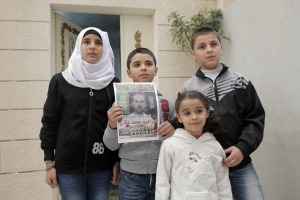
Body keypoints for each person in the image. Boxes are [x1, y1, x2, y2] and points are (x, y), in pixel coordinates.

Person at [171, 27, 265, 200]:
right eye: (202, 46)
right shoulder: (187, 89)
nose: (209, 49)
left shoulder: (240, 82)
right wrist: (170, 125)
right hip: (204, 169)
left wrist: (242, 148)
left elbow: (255, 118)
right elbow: (182, 123)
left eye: (213, 44)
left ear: (221, 48)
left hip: (240, 166)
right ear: (194, 54)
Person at [39, 27, 120, 200]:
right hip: (69, 167)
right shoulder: (60, 81)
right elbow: (49, 123)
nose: (92, 46)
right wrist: (49, 163)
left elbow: (117, 126)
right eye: (86, 42)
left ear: (105, 48)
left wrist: (116, 161)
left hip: (102, 166)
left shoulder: (113, 84)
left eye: (98, 43)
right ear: (79, 46)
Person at [103, 47, 176, 200]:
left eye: (148, 64)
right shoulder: (119, 106)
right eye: (137, 65)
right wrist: (112, 125)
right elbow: (111, 145)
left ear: (156, 70)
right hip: (131, 175)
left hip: (163, 172)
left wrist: (173, 133)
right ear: (128, 72)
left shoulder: (167, 104)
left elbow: (179, 141)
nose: (143, 67)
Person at [156, 90, 233, 200]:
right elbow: (162, 182)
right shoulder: (170, 145)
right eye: (187, 113)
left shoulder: (215, 146)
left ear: (207, 113)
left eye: (199, 111)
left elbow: (223, 184)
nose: (194, 117)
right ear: (179, 117)